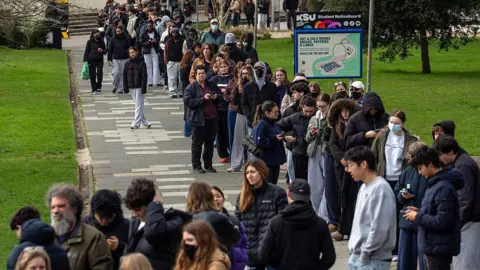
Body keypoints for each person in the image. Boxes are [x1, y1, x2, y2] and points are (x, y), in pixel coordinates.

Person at [404, 146, 464, 270]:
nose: (420, 173)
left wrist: (417, 217)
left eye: (421, 168)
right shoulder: (435, 184)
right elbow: (436, 212)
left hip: (438, 249)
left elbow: (443, 221)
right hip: (432, 247)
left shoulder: (443, 187)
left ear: (430, 164)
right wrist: (420, 211)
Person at [258, 179, 336, 269]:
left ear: (288, 193)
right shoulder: (320, 223)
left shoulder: (277, 222)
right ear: (308, 196)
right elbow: (329, 257)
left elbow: (262, 255)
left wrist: (278, 265)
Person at [432, 135, 480, 269]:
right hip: (466, 221)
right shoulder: (459, 163)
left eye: (440, 155)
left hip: (468, 222)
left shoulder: (463, 165)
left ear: (450, 152)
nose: (440, 160)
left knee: (466, 263)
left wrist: (453, 222)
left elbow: (465, 199)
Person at [345, 146, 396, 270]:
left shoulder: (380, 189)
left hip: (372, 260)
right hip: (357, 257)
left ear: (363, 164)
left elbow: (380, 227)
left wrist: (365, 253)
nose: (348, 169)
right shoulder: (364, 187)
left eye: (350, 165)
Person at [124, 178, 191, 269]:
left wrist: (155, 204)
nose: (135, 214)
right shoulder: (136, 223)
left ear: (150, 206)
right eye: (133, 210)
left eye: (137, 209)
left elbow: (153, 232)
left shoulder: (173, 221)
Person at [46, 183, 113, 270]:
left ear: (74, 208)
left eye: (61, 206)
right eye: (53, 207)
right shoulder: (45, 237)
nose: (55, 211)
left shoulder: (94, 238)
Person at [235, 159, 288, 269]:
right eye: (247, 173)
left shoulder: (277, 193)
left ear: (262, 172)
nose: (249, 175)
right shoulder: (242, 196)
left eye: (253, 172)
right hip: (250, 255)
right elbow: (237, 222)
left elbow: (284, 223)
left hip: (271, 256)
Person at [327, 98, 361, 241]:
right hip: (342, 166)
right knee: (343, 195)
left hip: (354, 164)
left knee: (355, 195)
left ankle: (353, 227)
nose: (346, 114)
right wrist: (342, 159)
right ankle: (343, 226)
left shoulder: (356, 125)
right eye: (343, 111)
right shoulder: (337, 126)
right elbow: (333, 144)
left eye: (348, 111)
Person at [394, 141, 428, 270]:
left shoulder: (429, 171)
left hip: (423, 222)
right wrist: (402, 196)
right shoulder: (407, 171)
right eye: (409, 155)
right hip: (407, 221)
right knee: (404, 262)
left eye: (412, 156)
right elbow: (398, 190)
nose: (409, 158)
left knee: (425, 262)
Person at [184, 65, 222, 173]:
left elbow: (220, 95)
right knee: (197, 144)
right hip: (198, 120)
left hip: (212, 118)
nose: (201, 75)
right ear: (195, 75)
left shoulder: (211, 84)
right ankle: (196, 165)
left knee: (209, 144)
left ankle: (208, 164)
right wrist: (202, 99)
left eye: (203, 73)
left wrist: (216, 97)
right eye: (199, 73)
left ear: (206, 74)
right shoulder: (190, 88)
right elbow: (189, 103)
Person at [187, 182, 241, 252]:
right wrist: (236, 228)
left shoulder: (185, 217)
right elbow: (235, 237)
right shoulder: (217, 217)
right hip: (213, 257)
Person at [84, 190, 130, 270]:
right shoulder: (84, 225)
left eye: (109, 217)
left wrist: (119, 247)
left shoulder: (127, 226)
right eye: (101, 217)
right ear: (94, 212)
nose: (105, 221)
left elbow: (136, 256)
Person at [372, 110, 418, 189]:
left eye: (396, 123)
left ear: (403, 124)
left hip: (400, 180)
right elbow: (373, 155)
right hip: (383, 179)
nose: (393, 125)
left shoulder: (410, 140)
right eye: (391, 122)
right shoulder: (382, 136)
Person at [278, 96, 316, 180]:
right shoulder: (295, 117)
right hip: (299, 154)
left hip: (314, 154)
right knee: (300, 182)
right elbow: (278, 126)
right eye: (306, 111)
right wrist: (286, 137)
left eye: (311, 111)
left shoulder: (317, 117)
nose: (309, 114)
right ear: (302, 107)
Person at [305, 94, 330, 219]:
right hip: (314, 153)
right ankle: (316, 213)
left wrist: (324, 132)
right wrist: (311, 133)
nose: (321, 109)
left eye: (323, 107)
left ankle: (324, 214)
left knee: (327, 184)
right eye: (318, 107)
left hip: (326, 153)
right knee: (314, 186)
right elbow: (307, 138)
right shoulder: (314, 118)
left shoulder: (331, 118)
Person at [211, 186, 249, 270]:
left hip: (236, 266)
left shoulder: (234, 220)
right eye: (211, 197)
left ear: (223, 199)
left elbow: (244, 242)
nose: (215, 199)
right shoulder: (204, 222)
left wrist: (243, 257)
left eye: (218, 196)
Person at [227, 65, 255, 173]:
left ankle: (251, 164)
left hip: (252, 115)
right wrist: (239, 89)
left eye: (247, 74)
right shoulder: (238, 86)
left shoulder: (254, 85)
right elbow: (234, 100)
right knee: (238, 139)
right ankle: (235, 164)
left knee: (251, 140)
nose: (245, 76)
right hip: (241, 114)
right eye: (243, 74)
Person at [253, 101, 286, 185]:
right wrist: (275, 138)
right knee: (268, 185)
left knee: (273, 185)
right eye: (275, 112)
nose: (277, 113)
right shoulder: (262, 124)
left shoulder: (274, 124)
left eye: (277, 111)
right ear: (267, 113)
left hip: (274, 161)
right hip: (267, 162)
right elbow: (259, 141)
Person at [210, 59, 234, 163]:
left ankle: (233, 153)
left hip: (230, 109)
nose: (223, 69)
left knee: (230, 132)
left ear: (229, 67)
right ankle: (224, 154)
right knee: (219, 133)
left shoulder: (233, 78)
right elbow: (213, 91)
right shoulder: (214, 79)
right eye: (221, 67)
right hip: (218, 109)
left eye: (225, 66)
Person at [241, 61, 280, 126]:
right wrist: (251, 116)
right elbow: (244, 104)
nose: (258, 70)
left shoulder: (272, 86)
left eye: (261, 68)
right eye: (256, 68)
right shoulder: (247, 86)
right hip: (252, 122)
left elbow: (276, 102)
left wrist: (272, 116)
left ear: (265, 70)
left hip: (269, 121)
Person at [123, 46, 151, 129]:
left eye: (133, 52)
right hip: (131, 87)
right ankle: (145, 122)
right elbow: (124, 76)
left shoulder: (142, 63)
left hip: (139, 87)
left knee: (138, 105)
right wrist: (126, 88)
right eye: (130, 52)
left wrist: (143, 88)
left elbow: (144, 77)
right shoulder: (127, 63)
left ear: (137, 52)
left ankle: (136, 123)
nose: (132, 54)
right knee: (138, 105)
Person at [108, 25, 131, 94]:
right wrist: (109, 59)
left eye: (119, 31)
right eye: (117, 31)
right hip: (116, 59)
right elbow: (110, 50)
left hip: (125, 58)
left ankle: (120, 88)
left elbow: (129, 48)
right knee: (116, 73)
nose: (118, 32)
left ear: (122, 31)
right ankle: (115, 86)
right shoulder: (113, 39)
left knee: (122, 74)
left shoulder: (126, 38)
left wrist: (130, 56)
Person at [83, 29, 107, 95]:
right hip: (91, 60)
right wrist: (85, 60)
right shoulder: (89, 42)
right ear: (93, 35)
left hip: (99, 60)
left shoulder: (101, 42)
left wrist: (102, 50)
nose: (98, 35)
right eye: (97, 34)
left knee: (99, 73)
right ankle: (94, 88)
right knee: (92, 75)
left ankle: (99, 86)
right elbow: (86, 51)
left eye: (99, 34)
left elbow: (105, 51)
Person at [164, 27, 184, 98]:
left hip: (181, 61)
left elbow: (185, 51)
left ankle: (181, 91)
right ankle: (173, 92)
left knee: (181, 77)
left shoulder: (182, 41)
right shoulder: (168, 41)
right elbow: (165, 51)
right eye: (173, 32)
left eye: (176, 32)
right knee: (171, 78)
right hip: (171, 61)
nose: (174, 34)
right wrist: (166, 59)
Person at [140, 21, 161, 87]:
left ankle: (157, 81)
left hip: (154, 50)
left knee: (156, 65)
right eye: (148, 26)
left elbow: (158, 39)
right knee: (148, 66)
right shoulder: (143, 33)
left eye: (150, 26)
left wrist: (155, 41)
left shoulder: (155, 32)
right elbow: (141, 43)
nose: (149, 27)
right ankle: (149, 81)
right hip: (147, 50)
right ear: (146, 27)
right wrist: (149, 42)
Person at [180, 50, 195, 137]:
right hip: (189, 89)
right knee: (189, 110)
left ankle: (187, 131)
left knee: (186, 110)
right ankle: (188, 131)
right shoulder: (188, 67)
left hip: (184, 89)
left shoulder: (182, 66)